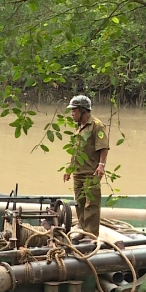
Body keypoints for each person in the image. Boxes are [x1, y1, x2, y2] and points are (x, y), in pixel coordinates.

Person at [62, 95, 109, 237]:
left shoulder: (96, 125)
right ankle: (83, 230)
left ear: (83, 110)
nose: (72, 114)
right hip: (78, 172)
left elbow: (104, 147)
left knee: (91, 204)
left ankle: (91, 234)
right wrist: (69, 170)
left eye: (74, 111)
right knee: (80, 202)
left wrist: (101, 166)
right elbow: (76, 151)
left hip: (91, 172)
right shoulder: (79, 127)